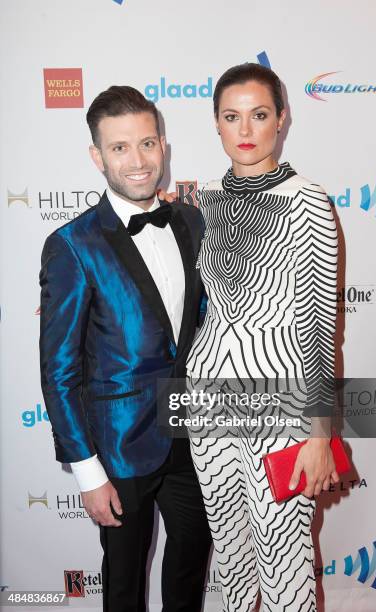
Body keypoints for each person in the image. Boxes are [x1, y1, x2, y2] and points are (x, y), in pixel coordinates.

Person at [39, 85, 212, 612]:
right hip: (118, 447)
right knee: (123, 584)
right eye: (119, 148)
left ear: (163, 145)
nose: (138, 162)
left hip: (194, 435)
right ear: (97, 156)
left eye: (147, 143)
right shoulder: (72, 244)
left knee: (191, 562)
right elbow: (60, 370)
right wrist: (89, 473)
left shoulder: (191, 220)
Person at [184, 63, 339, 611]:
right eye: (231, 116)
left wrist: (319, 434)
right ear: (217, 125)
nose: (245, 129)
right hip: (207, 401)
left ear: (282, 120)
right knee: (229, 557)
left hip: (279, 405)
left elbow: (320, 327)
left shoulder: (307, 201)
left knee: (284, 561)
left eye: (258, 114)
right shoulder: (205, 201)